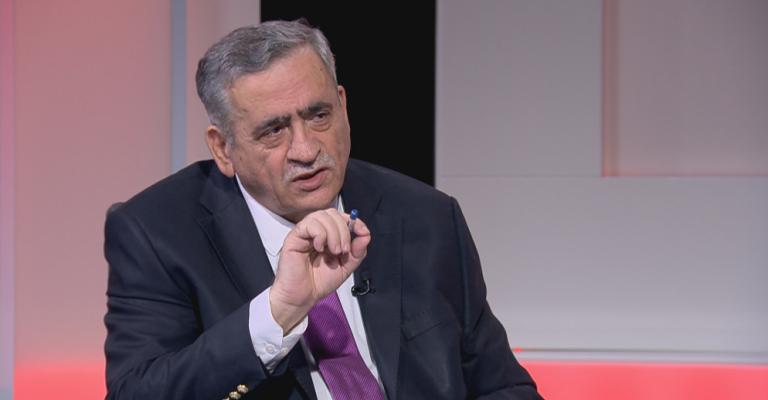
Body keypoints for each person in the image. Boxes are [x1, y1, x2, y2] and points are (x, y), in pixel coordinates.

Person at [104, 20, 542, 400]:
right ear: (223, 148)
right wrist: (278, 311)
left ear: (344, 106)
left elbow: (503, 386)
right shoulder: (156, 234)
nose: (306, 149)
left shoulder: (425, 215)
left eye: (318, 116)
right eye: (273, 131)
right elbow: (138, 393)